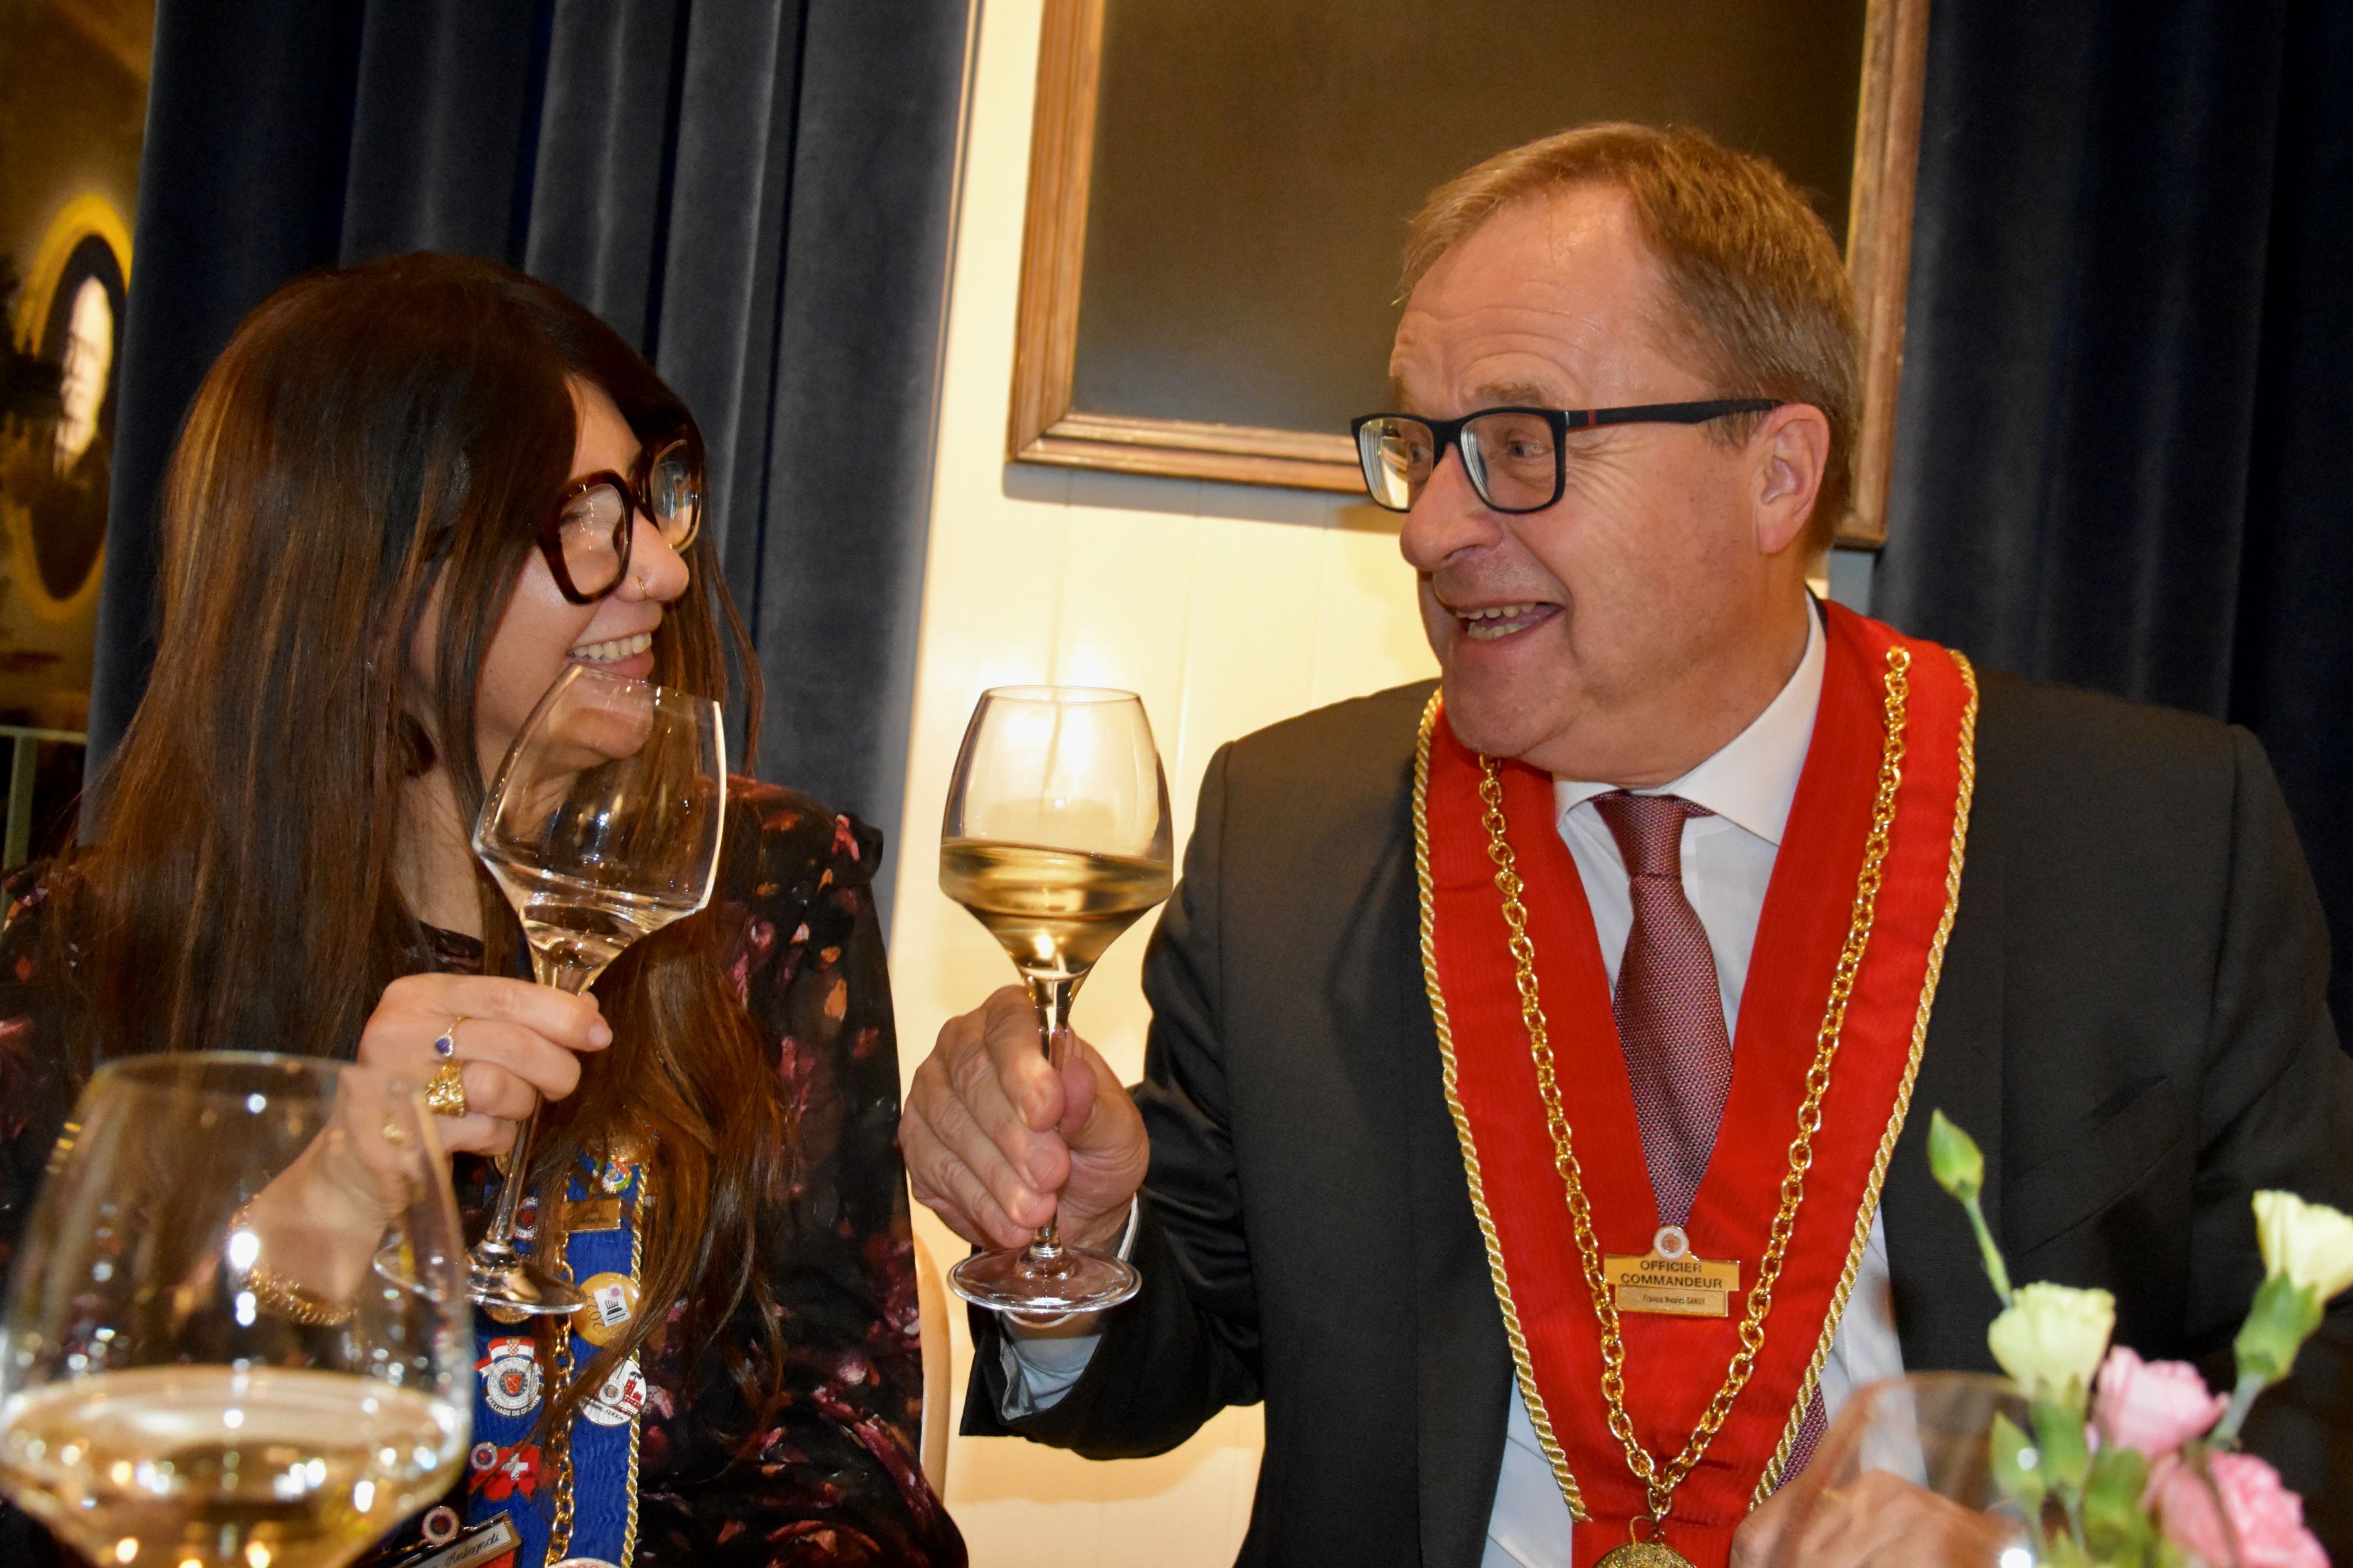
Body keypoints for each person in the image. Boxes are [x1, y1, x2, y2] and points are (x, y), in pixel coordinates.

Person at [901, 124, 2353, 1567]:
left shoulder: (2155, 839)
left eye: (1517, 444)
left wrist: (2031, 1555)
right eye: (1419, 446)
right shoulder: (1285, 837)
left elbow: (2313, 1400)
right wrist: (1083, 1241)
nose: (1428, 529)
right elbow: (1171, 1351)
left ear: (1776, 473)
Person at [0, 254, 966, 1568]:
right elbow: (50, 1510)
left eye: (650, 502)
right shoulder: (75, 964)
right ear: (367, 584)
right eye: (582, 518)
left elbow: (842, 1465)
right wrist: (331, 1202)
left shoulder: (759, 896)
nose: (662, 569)